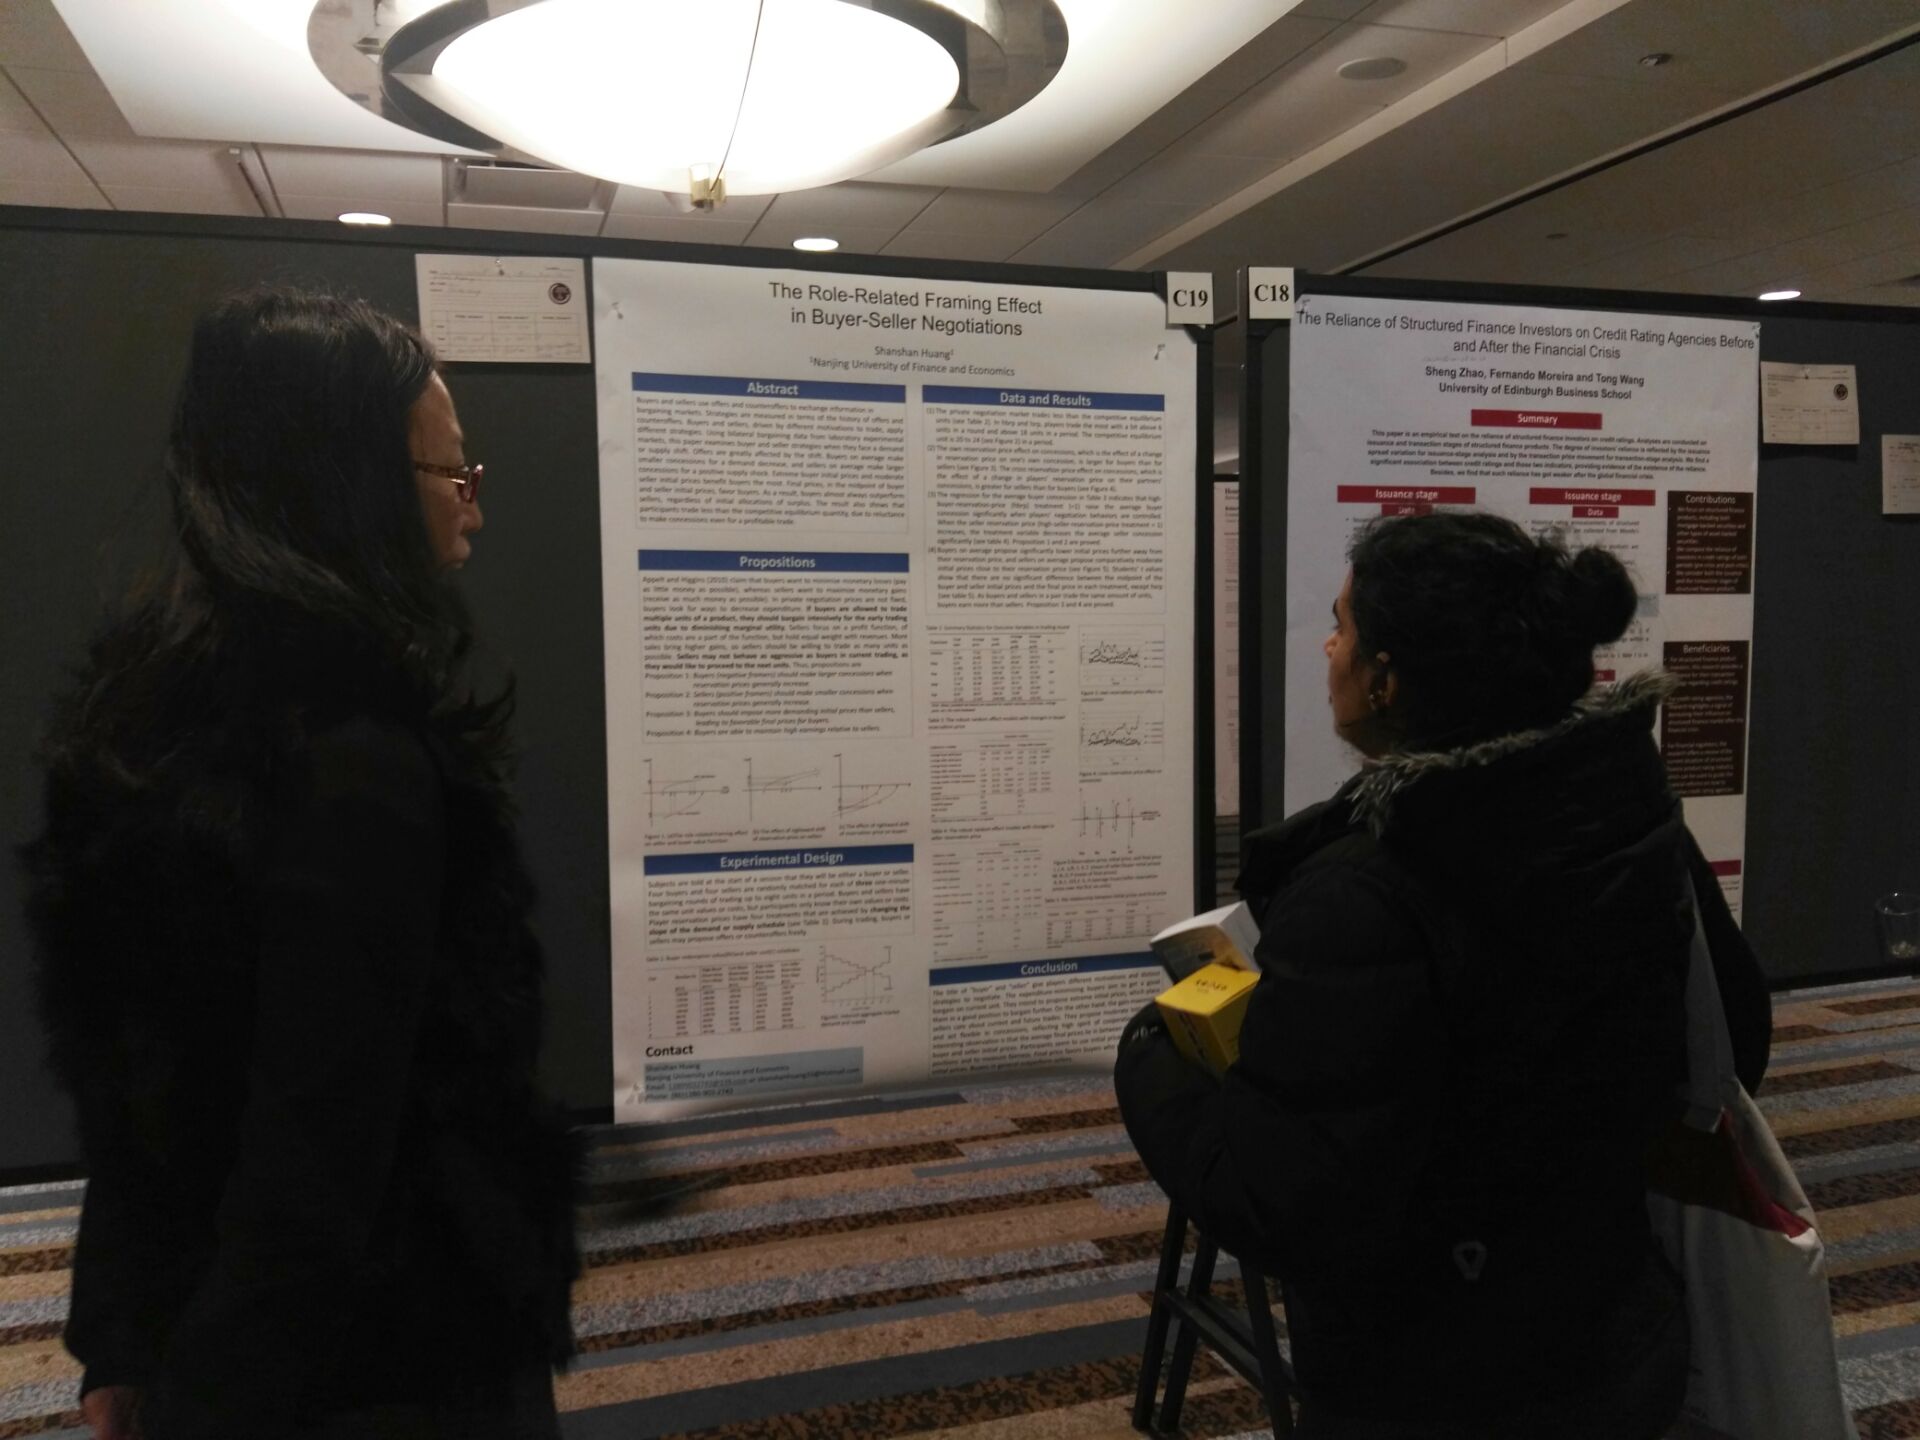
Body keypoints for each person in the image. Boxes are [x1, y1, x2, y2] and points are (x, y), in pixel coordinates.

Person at [23, 289, 579, 1439]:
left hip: (213, 1321)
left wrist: (121, 1338)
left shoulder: (159, 727)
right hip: (371, 1369)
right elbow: (315, 1166)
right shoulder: (357, 765)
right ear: (353, 488)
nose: (475, 502)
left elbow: (139, 1100)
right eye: (452, 471)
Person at [1117, 511, 1770, 1438]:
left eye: (1342, 626)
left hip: (1437, 1377)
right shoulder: (1625, 821)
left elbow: (1279, 1201)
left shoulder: (1366, 899)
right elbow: (1737, 1042)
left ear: (1385, 679)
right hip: (1615, 1333)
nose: (1329, 649)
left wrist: (1150, 1057)